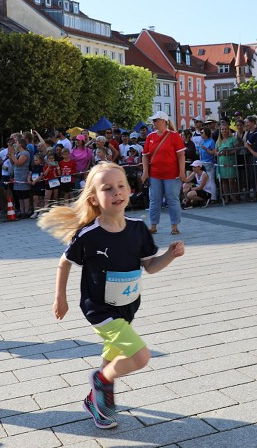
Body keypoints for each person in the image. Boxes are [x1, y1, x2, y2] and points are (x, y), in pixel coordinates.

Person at [41, 162, 184, 429]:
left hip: (128, 306)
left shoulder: (138, 229)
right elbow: (64, 263)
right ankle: (101, 381)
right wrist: (60, 298)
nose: (117, 192)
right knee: (140, 356)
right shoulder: (89, 235)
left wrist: (170, 255)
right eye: (108, 188)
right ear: (94, 198)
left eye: (121, 186)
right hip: (99, 309)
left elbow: (150, 266)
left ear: (129, 191)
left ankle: (97, 403)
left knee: (112, 357)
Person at [141, 111, 185, 235]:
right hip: (155, 174)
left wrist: (182, 172)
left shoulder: (174, 136)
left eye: (155, 120)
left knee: (172, 199)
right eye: (153, 120)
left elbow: (181, 155)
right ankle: (153, 225)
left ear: (163, 121)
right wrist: (145, 172)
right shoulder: (150, 137)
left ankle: (174, 226)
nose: (153, 123)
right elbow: (145, 156)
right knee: (154, 200)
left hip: (172, 174)